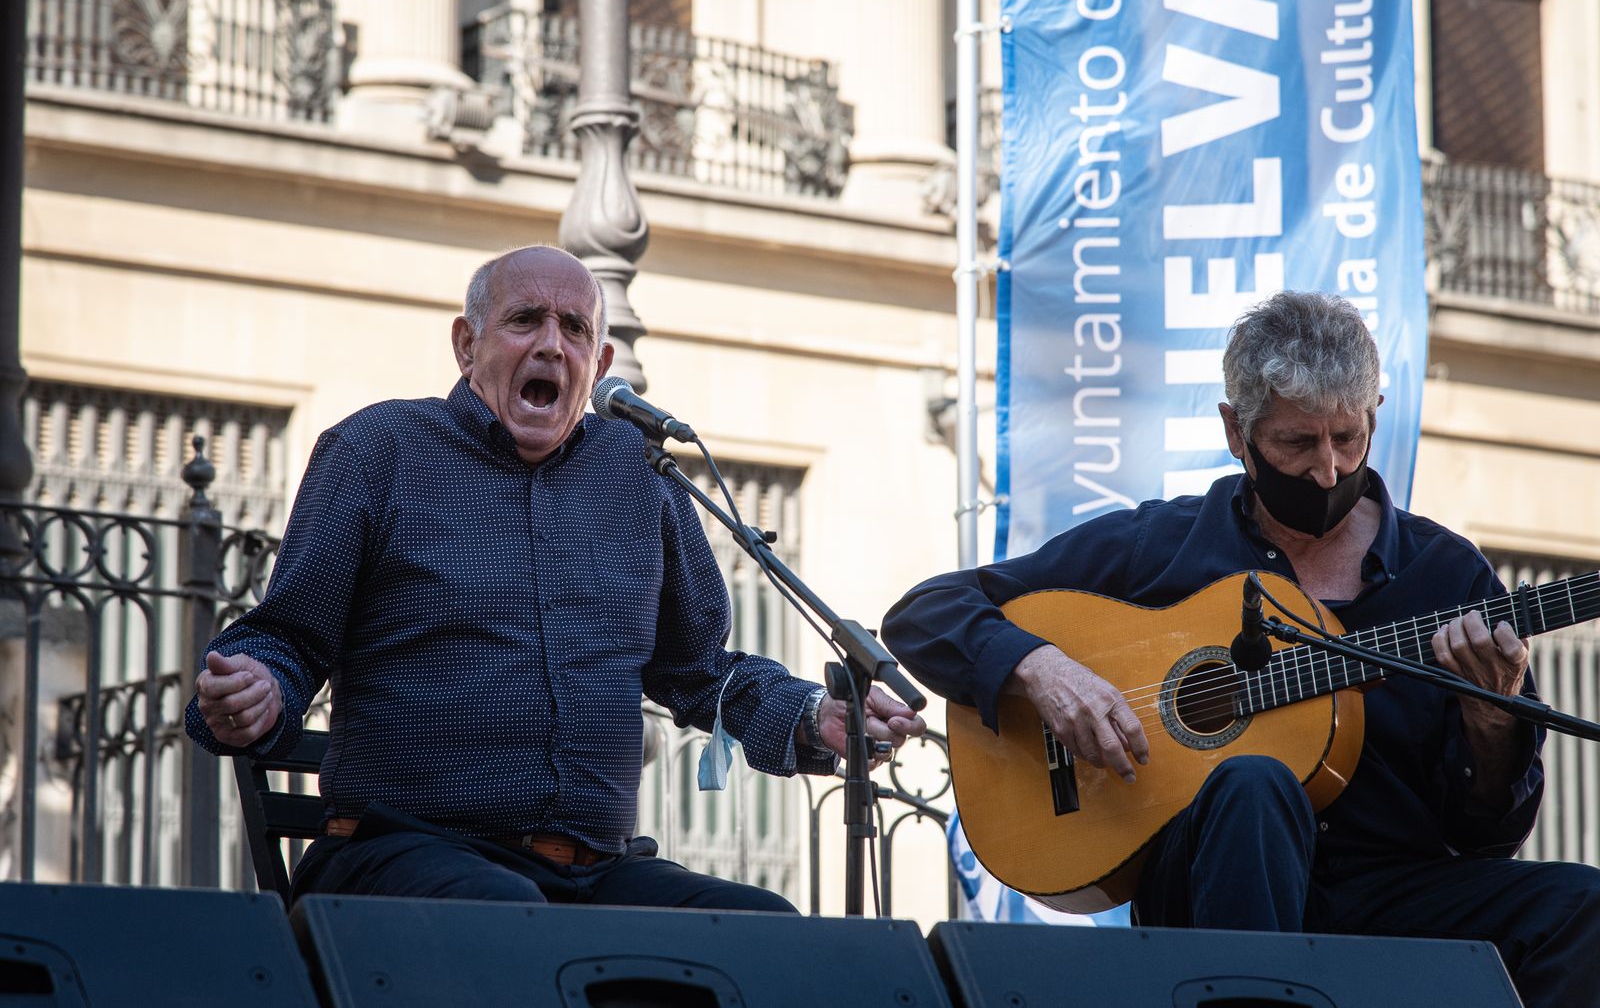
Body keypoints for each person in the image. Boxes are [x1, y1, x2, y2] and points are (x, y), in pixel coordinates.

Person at [881, 291, 1598, 1005]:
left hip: (1393, 893)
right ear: (1236, 430)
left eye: (1350, 438)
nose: (1327, 471)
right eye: (1297, 443)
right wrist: (1041, 670)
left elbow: (1486, 838)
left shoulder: (1446, 574)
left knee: (1582, 907)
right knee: (1254, 782)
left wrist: (1493, 721)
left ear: (1375, 413)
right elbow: (926, 613)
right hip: (1207, 890)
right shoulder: (1163, 545)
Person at [187, 244, 924, 912]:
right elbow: (287, 638)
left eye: (574, 329)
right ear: (466, 344)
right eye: (525, 320)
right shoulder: (378, 452)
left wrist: (810, 717)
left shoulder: (643, 475)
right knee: (508, 918)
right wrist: (257, 690)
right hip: (398, 855)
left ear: (600, 368)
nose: (551, 344)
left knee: (763, 928)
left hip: (591, 872)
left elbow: (700, 673)